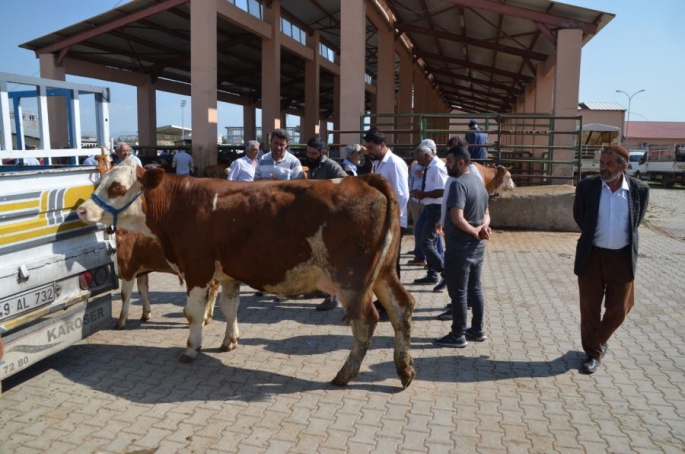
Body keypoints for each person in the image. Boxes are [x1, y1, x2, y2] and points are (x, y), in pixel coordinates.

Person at [573, 144, 649, 374]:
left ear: (623, 166)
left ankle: (597, 341)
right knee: (589, 308)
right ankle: (592, 353)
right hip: (592, 256)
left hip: (621, 257)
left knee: (620, 307)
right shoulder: (587, 188)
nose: (603, 169)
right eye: (601, 164)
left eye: (609, 164)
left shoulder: (639, 190)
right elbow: (580, 217)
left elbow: (637, 220)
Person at [434, 141, 491, 348]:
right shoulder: (479, 184)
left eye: (449, 162)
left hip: (459, 248)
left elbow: (457, 218)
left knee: (458, 292)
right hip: (477, 248)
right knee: (475, 288)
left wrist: (475, 230)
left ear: (460, 162)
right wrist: (482, 228)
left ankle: (458, 334)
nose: (446, 165)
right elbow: (486, 214)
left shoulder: (458, 184)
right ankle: (477, 329)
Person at [363, 128, 409, 320]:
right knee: (383, 264)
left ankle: (393, 304)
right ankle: (384, 301)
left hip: (393, 222)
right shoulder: (379, 163)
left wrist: (392, 219)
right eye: (367, 147)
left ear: (383, 145)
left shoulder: (395, 164)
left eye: (371, 147)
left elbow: (402, 195)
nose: (368, 151)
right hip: (384, 221)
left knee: (391, 265)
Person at [304, 136, 350, 311]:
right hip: (317, 222)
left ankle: (333, 298)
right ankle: (319, 290)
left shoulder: (331, 166)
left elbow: (345, 184)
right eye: (308, 152)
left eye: (314, 153)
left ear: (322, 152)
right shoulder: (314, 166)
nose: (310, 155)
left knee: (331, 262)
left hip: (331, 223)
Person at [410, 143, 448, 287]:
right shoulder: (430, 166)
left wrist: (423, 194)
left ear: (427, 156)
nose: (419, 163)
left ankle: (445, 272)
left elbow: (442, 191)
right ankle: (432, 274)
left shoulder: (437, 167)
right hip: (429, 206)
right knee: (423, 237)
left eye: (420, 160)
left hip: (436, 208)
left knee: (426, 242)